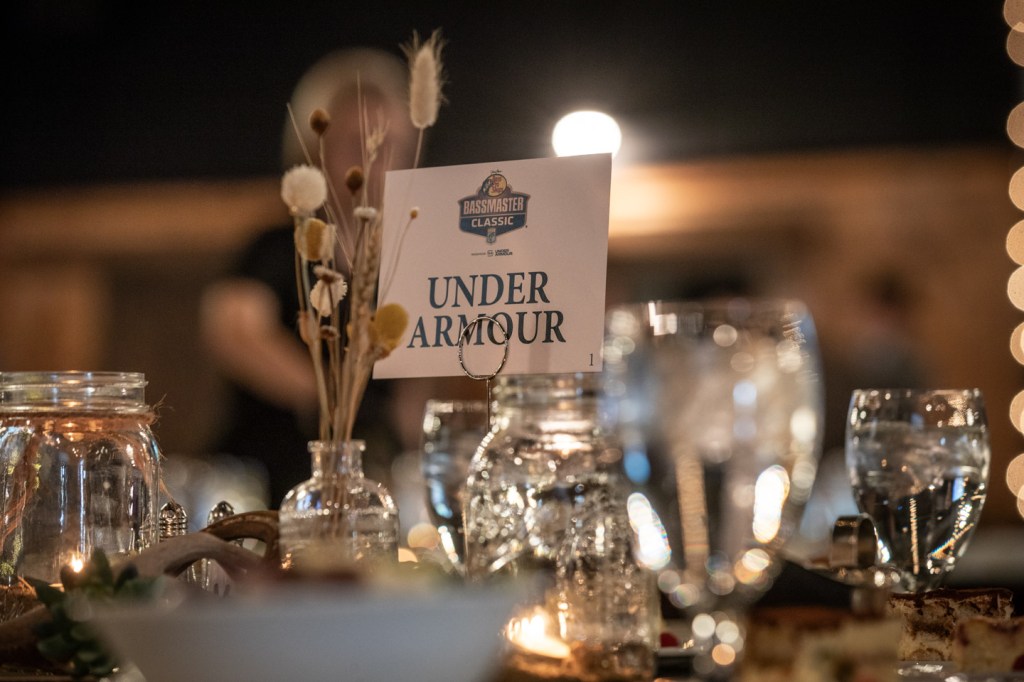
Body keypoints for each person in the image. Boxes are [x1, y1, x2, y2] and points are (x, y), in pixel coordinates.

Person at [200, 48, 419, 506]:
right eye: (357, 145)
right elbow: (233, 330)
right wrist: (328, 401)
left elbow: (413, 395)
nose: (377, 163)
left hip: (370, 482)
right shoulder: (280, 243)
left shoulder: (405, 256)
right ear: (314, 147)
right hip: (269, 477)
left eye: (391, 147)